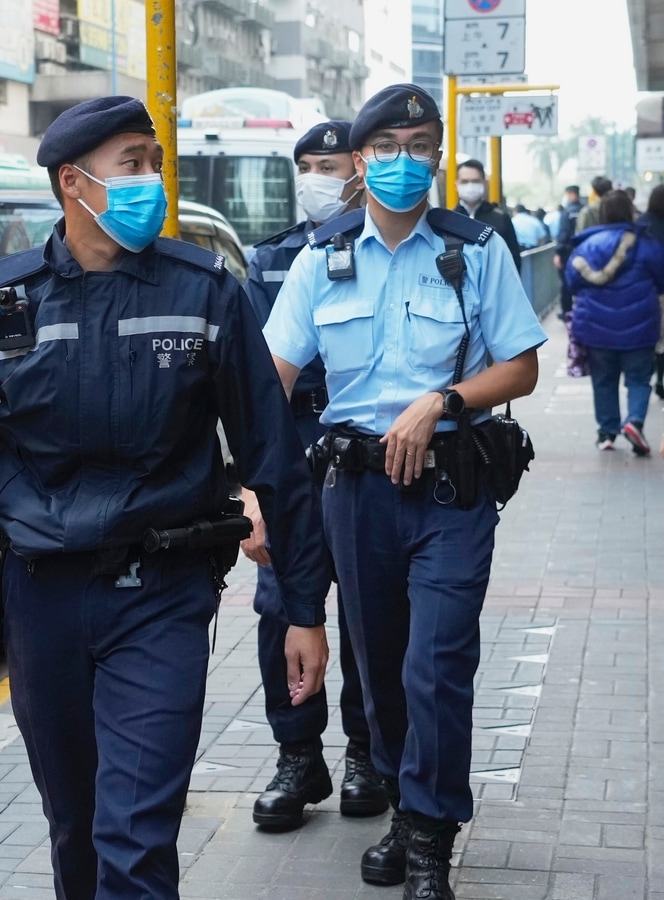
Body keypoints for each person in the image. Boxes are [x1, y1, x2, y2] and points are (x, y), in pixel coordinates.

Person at [0, 96, 333, 899]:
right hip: (41, 601)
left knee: (136, 839)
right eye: (133, 165)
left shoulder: (205, 292)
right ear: (75, 184)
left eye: (155, 163)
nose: (153, 181)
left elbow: (275, 461)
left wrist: (305, 609)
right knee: (75, 830)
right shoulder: (1, 305)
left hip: (163, 597)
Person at [264, 84, 546, 900]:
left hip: (451, 490)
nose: (404, 161)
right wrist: (252, 489)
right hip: (353, 494)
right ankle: (399, 799)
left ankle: (429, 835)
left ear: (435, 155)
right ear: (360, 162)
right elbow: (267, 384)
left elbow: (522, 365)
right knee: (380, 671)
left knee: (437, 665)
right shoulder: (323, 259)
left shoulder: (474, 249)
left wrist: (445, 400)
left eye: (420, 145)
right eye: (386, 148)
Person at [241, 120, 385, 832]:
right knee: (280, 609)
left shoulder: (386, 245)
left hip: (363, 449)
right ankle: (298, 753)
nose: (317, 179)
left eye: (328, 164)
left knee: (365, 612)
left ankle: (365, 751)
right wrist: (246, 485)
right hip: (291, 450)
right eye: (306, 166)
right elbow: (248, 374)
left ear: (358, 169)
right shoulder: (269, 260)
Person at [564, 189, 664, 456]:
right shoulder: (647, 243)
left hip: (596, 328)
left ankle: (607, 433)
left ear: (602, 214)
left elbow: (572, 282)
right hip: (641, 325)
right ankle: (634, 422)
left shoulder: (586, 246)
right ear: (630, 211)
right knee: (639, 378)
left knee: (604, 380)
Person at [453, 159, 522, 272]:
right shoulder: (448, 219)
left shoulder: (500, 218)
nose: (470, 186)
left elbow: (514, 260)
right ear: (456, 185)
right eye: (464, 182)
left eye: (475, 181)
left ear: (485, 183)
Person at [555, 184, 588, 317]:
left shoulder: (567, 212)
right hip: (585, 252)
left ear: (571, 194)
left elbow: (563, 233)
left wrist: (558, 253)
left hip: (568, 253)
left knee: (566, 282)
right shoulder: (585, 210)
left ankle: (567, 311)